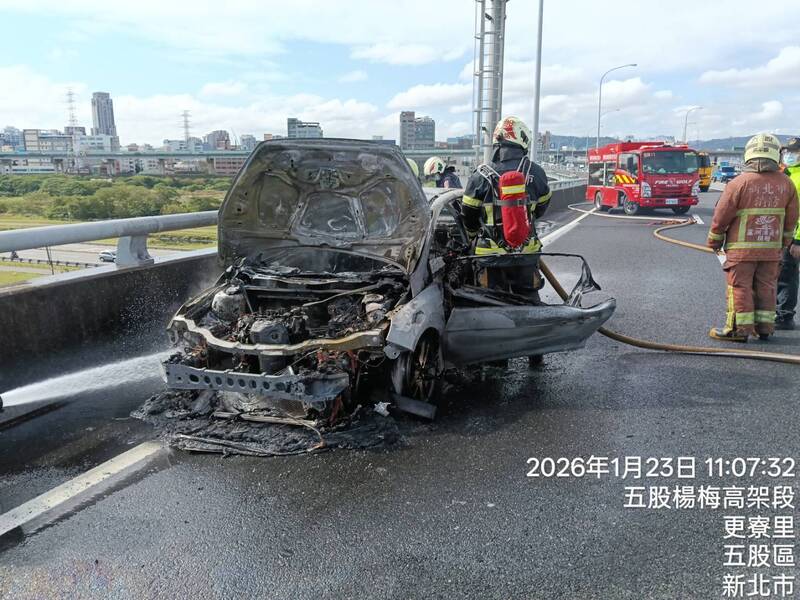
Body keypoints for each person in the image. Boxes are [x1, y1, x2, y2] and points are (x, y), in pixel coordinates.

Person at [707, 133, 799, 342]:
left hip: (741, 251)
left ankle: (738, 331)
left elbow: (721, 216)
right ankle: (765, 328)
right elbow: (792, 219)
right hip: (771, 250)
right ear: (776, 155)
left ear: (749, 155)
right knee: (767, 286)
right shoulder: (787, 184)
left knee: (740, 287)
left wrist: (714, 240)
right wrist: (783, 244)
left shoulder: (739, 183)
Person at [460, 115, 551, 299]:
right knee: (529, 303)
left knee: (490, 306)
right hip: (525, 254)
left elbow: (468, 214)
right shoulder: (536, 172)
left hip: (490, 257)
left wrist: (472, 235)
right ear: (523, 139)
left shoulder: (480, 175)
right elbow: (541, 208)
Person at [775, 137, 800, 329]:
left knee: (787, 274)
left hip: (795, 236)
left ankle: (785, 316)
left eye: (794, 152)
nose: (789, 155)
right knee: (782, 272)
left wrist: (797, 240)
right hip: (785, 234)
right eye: (787, 152)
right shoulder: (788, 173)